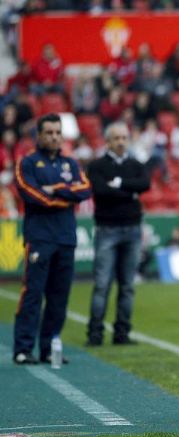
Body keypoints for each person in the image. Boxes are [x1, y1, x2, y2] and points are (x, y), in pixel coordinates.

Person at [13, 113, 92, 364]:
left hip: (66, 237)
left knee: (59, 297)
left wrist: (57, 189)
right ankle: (23, 348)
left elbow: (86, 190)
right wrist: (65, 198)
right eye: (49, 132)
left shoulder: (71, 163)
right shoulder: (26, 163)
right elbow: (31, 194)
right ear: (39, 135)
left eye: (57, 132)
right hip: (40, 238)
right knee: (33, 294)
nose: (54, 137)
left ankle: (49, 348)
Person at [85, 122, 150, 346]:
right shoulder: (97, 166)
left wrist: (119, 184)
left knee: (127, 286)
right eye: (117, 138)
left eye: (124, 137)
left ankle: (121, 334)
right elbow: (100, 191)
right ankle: (95, 333)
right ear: (108, 141)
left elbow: (145, 184)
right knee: (102, 284)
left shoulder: (135, 164)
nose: (121, 142)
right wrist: (130, 192)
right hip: (107, 229)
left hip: (132, 229)